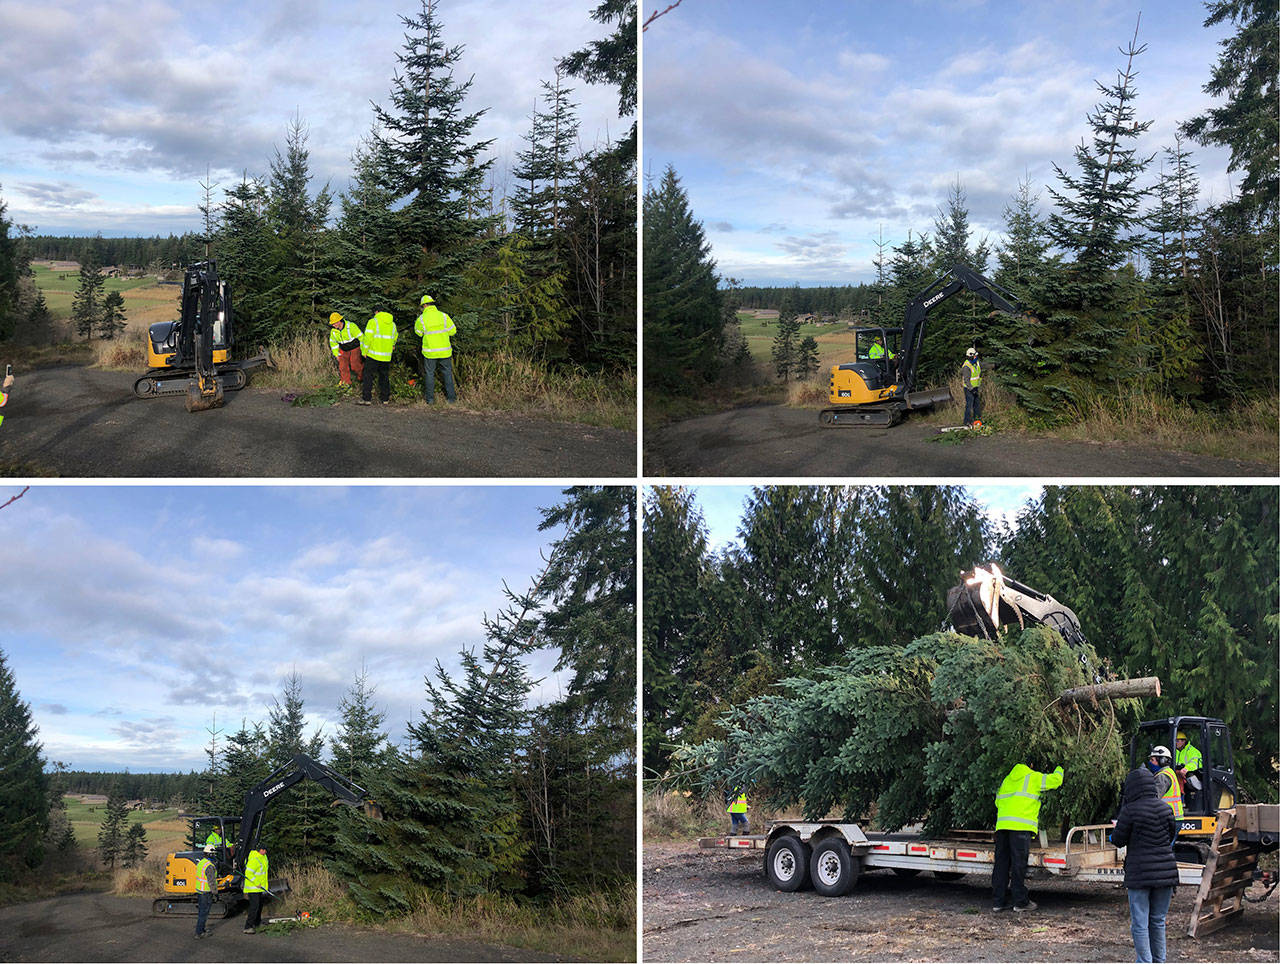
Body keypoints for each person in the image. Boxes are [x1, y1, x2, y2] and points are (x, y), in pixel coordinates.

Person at [1112, 767, 1179, 963]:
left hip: (1139, 874)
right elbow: (1170, 835)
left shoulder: (1130, 810)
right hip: (1166, 873)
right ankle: (1159, 960)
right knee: (1158, 921)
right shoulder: (1166, 809)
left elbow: (1118, 840)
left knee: (1140, 923)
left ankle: (1144, 961)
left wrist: (1114, 834)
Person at [992, 761, 1063, 913]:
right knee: (1018, 865)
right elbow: (1056, 781)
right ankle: (1020, 902)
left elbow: (997, 802)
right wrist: (1060, 767)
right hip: (1020, 827)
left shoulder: (1007, 780)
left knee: (1001, 864)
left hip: (1002, 826)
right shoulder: (1033, 777)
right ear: (1031, 764)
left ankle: (998, 902)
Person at [413, 294, 457, 404]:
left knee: (429, 374)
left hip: (430, 353)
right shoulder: (444, 316)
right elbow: (453, 331)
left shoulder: (421, 319)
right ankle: (451, 399)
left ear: (424, 305)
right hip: (445, 351)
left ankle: (430, 400)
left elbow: (418, 333)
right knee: (447, 373)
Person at [358, 310, 398, 405]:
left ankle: (367, 399)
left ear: (376, 312)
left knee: (368, 376)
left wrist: (364, 351)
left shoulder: (373, 322)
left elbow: (367, 338)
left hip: (373, 354)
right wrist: (392, 345)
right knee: (384, 376)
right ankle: (385, 399)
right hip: (386, 356)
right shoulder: (392, 324)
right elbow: (395, 336)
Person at [327, 312, 364, 387]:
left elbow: (362, 338)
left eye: (334, 323)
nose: (333, 325)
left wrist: (364, 351)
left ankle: (362, 377)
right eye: (332, 324)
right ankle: (346, 384)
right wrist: (336, 354)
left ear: (339, 321)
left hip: (355, 347)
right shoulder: (333, 331)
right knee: (342, 367)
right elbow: (333, 343)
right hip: (343, 349)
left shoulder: (351, 326)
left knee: (355, 366)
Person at [1147, 746, 1183, 819]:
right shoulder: (1169, 772)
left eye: (1152, 760)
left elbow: (1154, 798)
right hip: (1172, 817)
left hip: (1168, 818)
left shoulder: (1163, 776)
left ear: (1162, 761)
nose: (1150, 762)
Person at [1174, 729, 1204, 808]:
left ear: (1183, 741)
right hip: (1179, 774)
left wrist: (1186, 769)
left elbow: (1194, 763)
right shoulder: (1174, 751)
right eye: (1175, 741)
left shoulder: (1192, 751)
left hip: (1195, 775)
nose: (1176, 743)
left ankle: (1183, 801)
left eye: (1177, 741)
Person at [242, 846, 269, 934]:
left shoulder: (263, 858)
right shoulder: (254, 859)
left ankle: (257, 923)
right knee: (254, 907)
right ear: (261, 850)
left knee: (259, 906)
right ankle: (248, 927)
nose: (266, 852)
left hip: (260, 888)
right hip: (253, 888)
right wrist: (256, 882)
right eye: (265, 850)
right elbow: (248, 873)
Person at [194, 844, 217, 939]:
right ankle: (199, 933)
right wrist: (215, 893)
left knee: (202, 912)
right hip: (206, 892)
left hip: (200, 891)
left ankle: (201, 930)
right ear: (210, 854)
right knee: (203, 913)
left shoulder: (201, 862)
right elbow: (211, 882)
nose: (215, 855)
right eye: (214, 854)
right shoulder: (209, 866)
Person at [962, 347, 982, 427]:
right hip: (969, 389)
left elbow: (984, 365)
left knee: (977, 405)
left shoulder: (976, 363)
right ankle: (967, 421)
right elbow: (966, 380)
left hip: (975, 387)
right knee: (969, 405)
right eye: (974, 356)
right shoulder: (966, 366)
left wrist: (993, 365)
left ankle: (977, 420)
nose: (976, 357)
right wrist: (971, 389)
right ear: (971, 356)